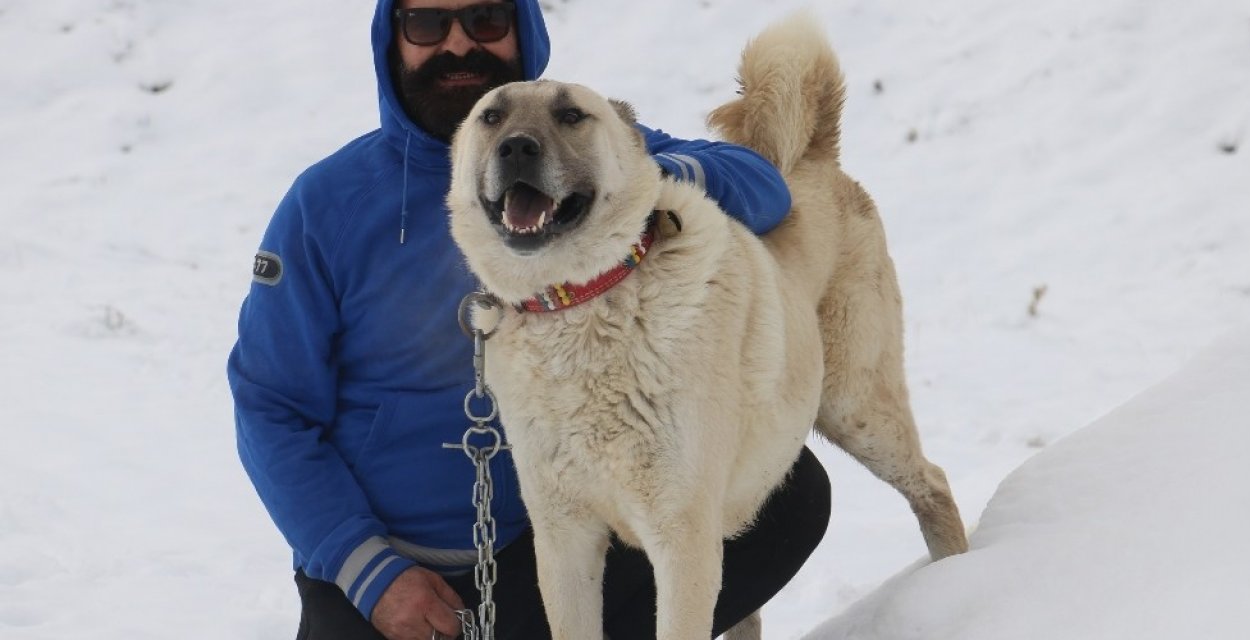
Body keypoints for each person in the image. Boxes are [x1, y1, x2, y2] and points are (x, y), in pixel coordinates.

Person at [227, 1, 831, 638]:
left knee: (790, 499)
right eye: (428, 25)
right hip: (387, 578)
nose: (457, 45)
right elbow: (270, 407)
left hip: (539, 548)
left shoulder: (584, 142)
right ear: (393, 42)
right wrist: (365, 568)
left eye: (485, 18)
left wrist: (649, 180)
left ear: (523, 30)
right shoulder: (327, 204)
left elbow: (763, 187)